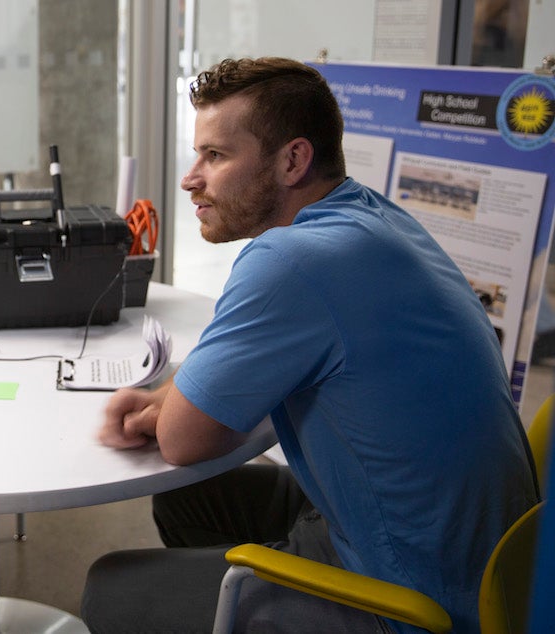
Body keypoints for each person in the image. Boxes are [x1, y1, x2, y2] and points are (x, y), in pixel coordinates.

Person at [80, 57, 538, 633]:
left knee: (109, 590)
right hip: (482, 562)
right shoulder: (374, 217)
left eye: (216, 156)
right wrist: (175, 393)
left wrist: (170, 406)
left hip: (414, 599)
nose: (190, 177)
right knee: (190, 501)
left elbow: (182, 440)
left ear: (293, 159)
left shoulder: (289, 260)